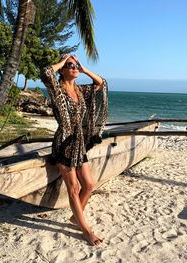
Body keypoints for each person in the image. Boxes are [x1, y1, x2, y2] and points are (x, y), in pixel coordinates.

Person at [41, 54, 108, 246]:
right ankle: (86, 230)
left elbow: (101, 83)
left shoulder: (81, 91)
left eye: (75, 65)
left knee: (89, 185)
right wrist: (63, 61)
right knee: (74, 188)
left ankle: (75, 218)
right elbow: (45, 73)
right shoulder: (57, 91)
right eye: (71, 66)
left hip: (79, 142)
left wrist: (84, 69)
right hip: (64, 142)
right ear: (62, 70)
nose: (74, 68)